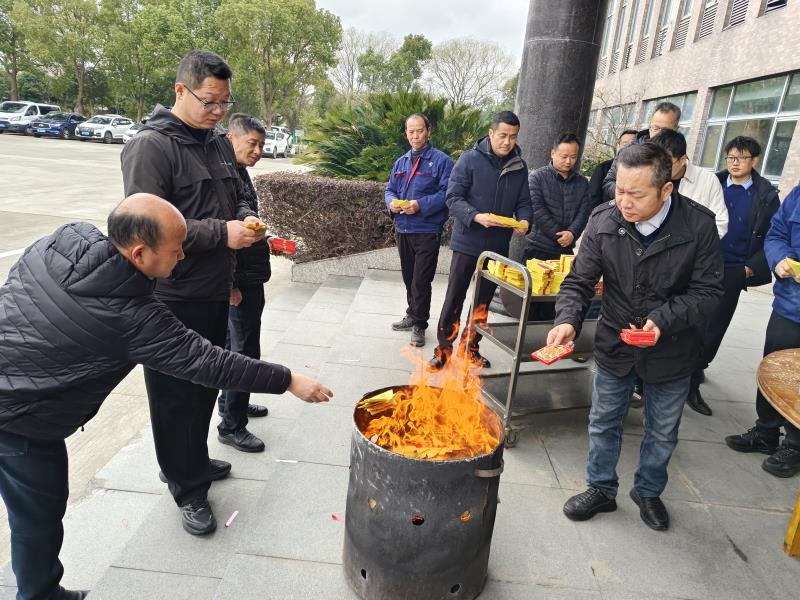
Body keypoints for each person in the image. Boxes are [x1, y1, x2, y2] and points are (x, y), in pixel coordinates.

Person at [0, 195, 332, 600]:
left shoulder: (64, 239)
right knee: (37, 516)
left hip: (15, 395)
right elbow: (208, 362)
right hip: (21, 421)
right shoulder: (131, 319)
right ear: (140, 253)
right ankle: (39, 596)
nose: (182, 256)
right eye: (176, 250)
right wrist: (288, 379)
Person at [120, 51, 263, 534]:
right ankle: (188, 488)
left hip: (213, 289)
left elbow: (238, 193)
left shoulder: (217, 142)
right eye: (209, 101)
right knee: (174, 397)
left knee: (204, 386)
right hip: (172, 296)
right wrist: (222, 233)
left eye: (225, 102)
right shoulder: (150, 147)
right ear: (180, 90)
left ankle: (192, 460)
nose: (218, 111)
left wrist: (245, 218)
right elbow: (145, 229)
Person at [548, 143, 723, 531]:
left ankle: (648, 492)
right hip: (616, 339)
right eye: (620, 190)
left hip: (672, 346)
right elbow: (578, 281)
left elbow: (709, 291)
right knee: (603, 420)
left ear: (666, 189)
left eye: (636, 194)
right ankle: (600, 488)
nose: (624, 202)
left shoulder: (698, 226)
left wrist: (663, 319)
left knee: (662, 430)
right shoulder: (604, 219)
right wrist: (568, 320)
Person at [430, 111, 532, 370]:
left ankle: (470, 348)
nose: (507, 142)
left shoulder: (519, 166)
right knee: (455, 296)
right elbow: (453, 197)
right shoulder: (470, 159)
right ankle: (443, 349)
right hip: (467, 241)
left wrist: (525, 220)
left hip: (497, 246)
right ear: (491, 133)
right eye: (502, 135)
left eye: (513, 137)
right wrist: (475, 216)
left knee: (483, 302)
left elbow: (524, 201)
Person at [690, 136, 779, 415]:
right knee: (692, 321)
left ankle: (694, 377)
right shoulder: (713, 183)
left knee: (715, 326)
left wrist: (749, 268)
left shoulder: (766, 195)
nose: (735, 163)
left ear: (754, 160)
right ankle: (687, 374)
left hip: (734, 269)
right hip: (701, 264)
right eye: (730, 157)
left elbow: (773, 235)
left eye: (741, 157)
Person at [725, 185, 800, 478]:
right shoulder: (798, 195)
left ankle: (795, 444)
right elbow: (777, 233)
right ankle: (766, 430)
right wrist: (779, 258)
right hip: (790, 304)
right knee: (774, 369)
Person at [215, 113, 272, 453]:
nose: (258, 151)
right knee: (243, 351)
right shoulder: (223, 174)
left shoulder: (237, 170)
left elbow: (243, 215)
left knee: (234, 347)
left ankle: (233, 402)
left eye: (262, 145)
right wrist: (231, 285)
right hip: (238, 281)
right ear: (231, 139)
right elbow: (225, 234)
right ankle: (232, 425)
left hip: (249, 274)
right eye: (252, 143)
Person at [385, 113, 453, 348]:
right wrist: (392, 203)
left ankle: (420, 324)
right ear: (406, 133)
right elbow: (390, 189)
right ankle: (412, 314)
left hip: (427, 230)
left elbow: (447, 194)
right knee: (408, 276)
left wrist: (420, 205)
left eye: (420, 131)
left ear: (429, 131)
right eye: (411, 131)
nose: (415, 136)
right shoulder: (401, 162)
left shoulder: (442, 161)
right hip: (403, 228)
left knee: (421, 280)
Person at [525, 132, 593, 321]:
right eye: (564, 156)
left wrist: (572, 233)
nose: (569, 161)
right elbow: (537, 210)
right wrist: (559, 235)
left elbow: (584, 211)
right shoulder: (537, 177)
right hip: (539, 249)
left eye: (573, 156)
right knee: (533, 303)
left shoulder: (581, 183)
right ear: (553, 153)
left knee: (560, 303)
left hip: (565, 253)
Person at [650, 128, 728, 239]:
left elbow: (720, 223)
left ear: (682, 160)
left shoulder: (707, 180)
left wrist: (694, 246)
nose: (659, 169)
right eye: (655, 162)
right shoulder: (649, 178)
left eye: (666, 163)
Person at [602, 101, 681, 200]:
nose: (659, 134)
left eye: (665, 130)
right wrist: (631, 195)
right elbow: (609, 182)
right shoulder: (629, 150)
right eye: (656, 128)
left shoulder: (679, 156)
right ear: (650, 126)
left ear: (676, 130)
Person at [588, 129, 637, 209]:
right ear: (619, 146)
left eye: (632, 143)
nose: (628, 147)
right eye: (625, 144)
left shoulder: (644, 170)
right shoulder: (603, 167)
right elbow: (593, 196)